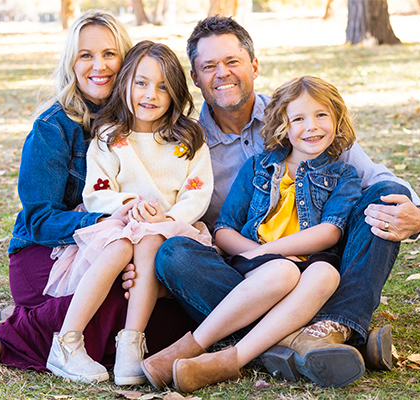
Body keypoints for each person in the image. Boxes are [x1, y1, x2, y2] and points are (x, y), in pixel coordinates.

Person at [132, 16, 420, 388]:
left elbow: (375, 177)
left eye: (232, 61)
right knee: (175, 254)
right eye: (209, 66)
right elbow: (169, 210)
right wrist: (139, 262)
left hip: (319, 269)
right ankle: (314, 340)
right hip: (241, 274)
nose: (222, 73)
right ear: (195, 77)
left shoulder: (297, 115)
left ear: (254, 66)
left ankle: (316, 329)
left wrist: (416, 214)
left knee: (384, 198)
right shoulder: (185, 143)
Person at [0, 11, 196, 375]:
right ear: (71, 63)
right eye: (85, 55)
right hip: (47, 253)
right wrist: (107, 223)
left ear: (127, 60)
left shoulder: (145, 121)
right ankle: (0, 340)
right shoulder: (51, 128)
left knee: (156, 305)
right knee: (118, 300)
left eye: (109, 54)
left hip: (126, 245)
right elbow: (38, 217)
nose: (98, 66)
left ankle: (23, 323)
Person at [141, 75, 364, 392]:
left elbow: (329, 232)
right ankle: (285, 338)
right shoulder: (258, 167)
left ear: (337, 118)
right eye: (298, 118)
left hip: (308, 272)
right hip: (254, 269)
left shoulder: (343, 174)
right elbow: (224, 230)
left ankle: (229, 359)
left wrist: (273, 252)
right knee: (178, 252)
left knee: (326, 273)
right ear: (282, 125)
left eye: (321, 115)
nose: (311, 126)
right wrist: (260, 255)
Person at [42, 40, 212, 385]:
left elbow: (197, 192)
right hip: (121, 223)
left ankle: (130, 346)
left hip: (169, 228)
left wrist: (167, 220)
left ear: (176, 92)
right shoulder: (110, 136)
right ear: (125, 85)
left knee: (150, 243)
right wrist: (128, 206)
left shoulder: (188, 139)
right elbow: (97, 191)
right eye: (141, 83)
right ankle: (66, 342)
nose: (150, 94)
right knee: (119, 246)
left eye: (163, 86)